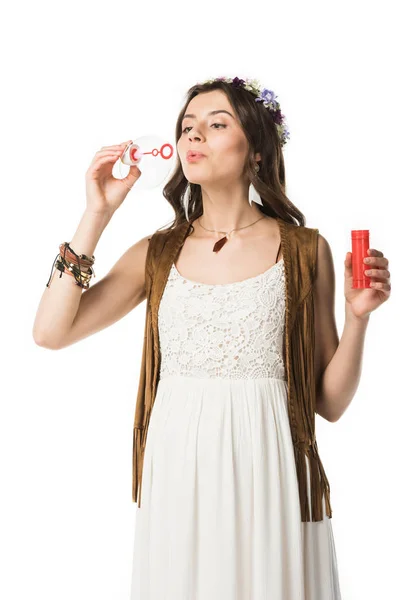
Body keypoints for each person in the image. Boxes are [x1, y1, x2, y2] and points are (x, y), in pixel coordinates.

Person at [33, 76, 391, 600]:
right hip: (180, 474)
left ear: (258, 152)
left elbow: (329, 403)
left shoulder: (304, 250)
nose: (193, 136)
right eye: (187, 127)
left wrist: (359, 317)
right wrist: (98, 214)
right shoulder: (156, 253)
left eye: (216, 124)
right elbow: (50, 332)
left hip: (271, 473)